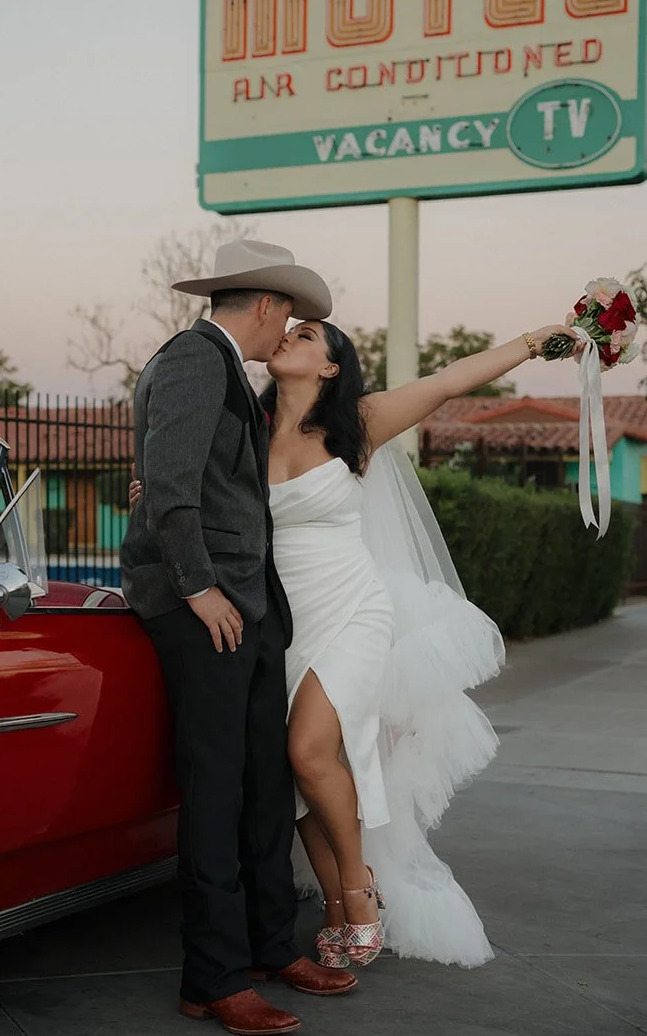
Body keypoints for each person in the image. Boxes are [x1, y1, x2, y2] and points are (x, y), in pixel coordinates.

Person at [133, 308, 576, 972]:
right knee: (293, 771)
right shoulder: (246, 431)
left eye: (307, 335)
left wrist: (536, 341)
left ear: (331, 367)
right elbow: (188, 489)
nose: (289, 334)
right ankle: (338, 905)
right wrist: (151, 493)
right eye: (289, 329)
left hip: (350, 609)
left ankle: (358, 889)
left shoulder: (357, 424)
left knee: (309, 750)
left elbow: (448, 381)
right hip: (280, 617)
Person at [119, 239, 359, 1036]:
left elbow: (198, 479)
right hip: (203, 607)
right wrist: (197, 588)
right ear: (265, 305)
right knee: (216, 789)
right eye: (286, 315)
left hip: (250, 607)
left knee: (263, 784)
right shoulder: (194, 359)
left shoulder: (226, 371)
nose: (285, 330)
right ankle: (214, 978)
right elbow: (171, 490)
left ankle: (268, 947)